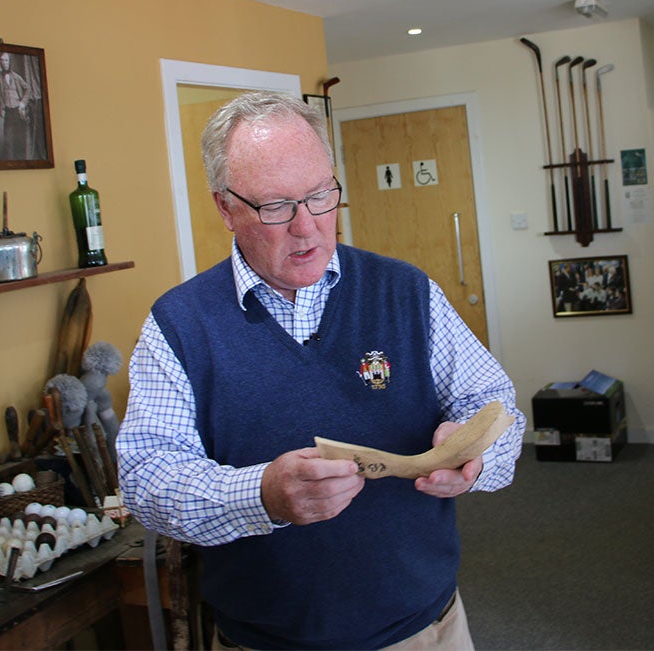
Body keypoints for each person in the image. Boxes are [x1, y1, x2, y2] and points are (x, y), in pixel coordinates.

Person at [117, 91, 525, 650]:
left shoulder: (405, 290)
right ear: (224, 207)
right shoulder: (179, 323)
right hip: (263, 641)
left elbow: (496, 401)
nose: (307, 228)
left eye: (320, 196)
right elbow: (146, 478)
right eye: (276, 207)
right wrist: (260, 494)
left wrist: (476, 455)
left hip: (424, 631)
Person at [0, 52, 32, 159]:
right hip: (8, 113)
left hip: (19, 112)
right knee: (8, 142)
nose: (4, 63)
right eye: (2, 60)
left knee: (21, 141)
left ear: (10, 62)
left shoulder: (16, 77)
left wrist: (23, 103)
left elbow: (28, 89)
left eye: (6, 60)